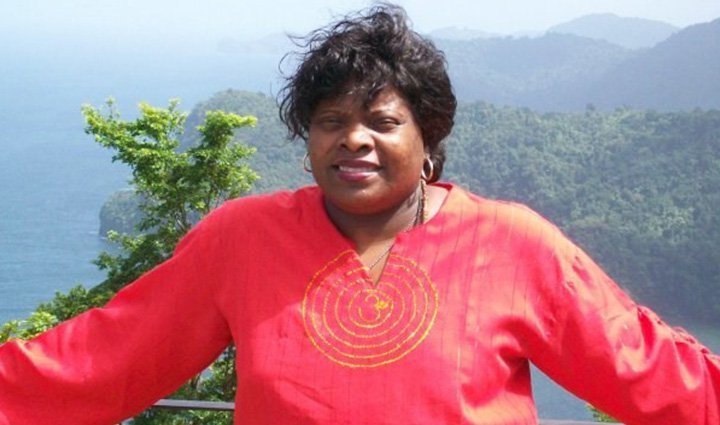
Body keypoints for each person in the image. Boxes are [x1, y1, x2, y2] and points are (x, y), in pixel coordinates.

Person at [1, 3, 718, 425]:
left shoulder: (513, 243)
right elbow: (105, 356)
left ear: (427, 133)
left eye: (382, 119)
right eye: (329, 120)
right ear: (307, 140)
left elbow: (646, 369)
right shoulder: (243, 238)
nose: (353, 138)